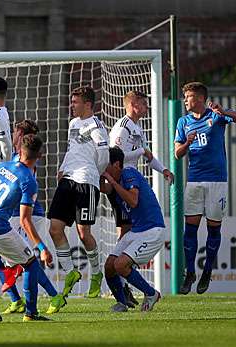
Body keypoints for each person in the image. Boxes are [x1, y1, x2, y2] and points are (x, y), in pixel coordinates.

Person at [0, 134, 51, 322]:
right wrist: (42, 248)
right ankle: (31, 313)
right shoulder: (28, 181)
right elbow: (25, 221)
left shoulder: (0, 166)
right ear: (39, 156)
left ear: (19, 151)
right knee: (30, 262)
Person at [108, 90, 174, 306]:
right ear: (134, 104)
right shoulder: (122, 127)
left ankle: (130, 283)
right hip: (120, 181)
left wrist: (163, 169)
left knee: (124, 241)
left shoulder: (137, 128)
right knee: (121, 238)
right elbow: (116, 154)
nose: (147, 108)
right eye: (144, 104)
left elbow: (146, 154)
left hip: (130, 183)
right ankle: (124, 290)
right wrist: (141, 152)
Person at [47, 86, 109, 298]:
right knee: (55, 229)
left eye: (75, 102)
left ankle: (96, 274)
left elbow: (104, 155)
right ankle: (70, 271)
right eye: (71, 101)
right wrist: (63, 167)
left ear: (88, 104)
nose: (71, 105)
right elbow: (71, 148)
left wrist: (95, 174)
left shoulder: (97, 126)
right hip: (68, 179)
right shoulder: (73, 124)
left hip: (86, 182)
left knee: (84, 234)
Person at [0, 120, 67, 315]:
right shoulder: (15, 158)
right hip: (15, 215)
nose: (12, 135)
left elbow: (24, 189)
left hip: (27, 215)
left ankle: (51, 296)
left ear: (21, 136)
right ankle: (18, 299)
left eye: (15, 132)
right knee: (3, 259)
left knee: (25, 260)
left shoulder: (23, 162)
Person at [175, 82, 235, 294]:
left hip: (217, 181)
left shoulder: (216, 116)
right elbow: (177, 154)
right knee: (190, 228)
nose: (185, 100)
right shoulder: (183, 122)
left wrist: (224, 111)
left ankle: (207, 270)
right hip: (194, 180)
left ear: (199, 98)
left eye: (188, 96)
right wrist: (186, 144)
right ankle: (190, 272)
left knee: (213, 228)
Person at [101, 147, 164, 312]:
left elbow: (134, 201)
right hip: (136, 231)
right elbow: (102, 188)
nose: (104, 168)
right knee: (109, 266)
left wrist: (112, 182)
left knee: (121, 265)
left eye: (105, 165)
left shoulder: (128, 173)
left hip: (152, 230)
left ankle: (151, 294)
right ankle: (122, 303)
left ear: (116, 164)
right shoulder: (115, 180)